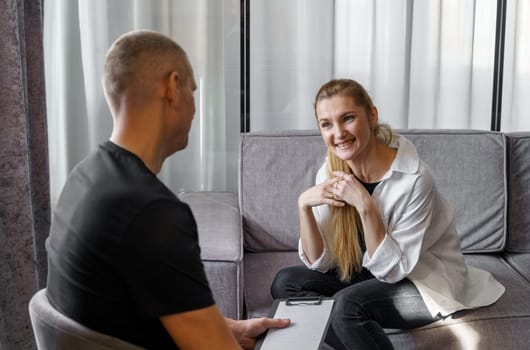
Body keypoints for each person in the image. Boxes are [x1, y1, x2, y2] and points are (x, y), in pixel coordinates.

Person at [45, 30, 290, 350]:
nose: (194, 108)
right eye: (193, 91)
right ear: (172, 88)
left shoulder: (85, 179)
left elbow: (123, 308)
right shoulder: (151, 212)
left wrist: (229, 328)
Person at [270, 79, 505, 350]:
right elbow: (321, 264)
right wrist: (303, 206)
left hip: (419, 280)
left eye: (347, 118)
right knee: (286, 284)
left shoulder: (415, 179)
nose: (338, 133)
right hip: (367, 272)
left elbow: (393, 271)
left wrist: (365, 205)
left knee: (348, 306)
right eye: (326, 124)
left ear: (372, 115)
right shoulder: (331, 170)